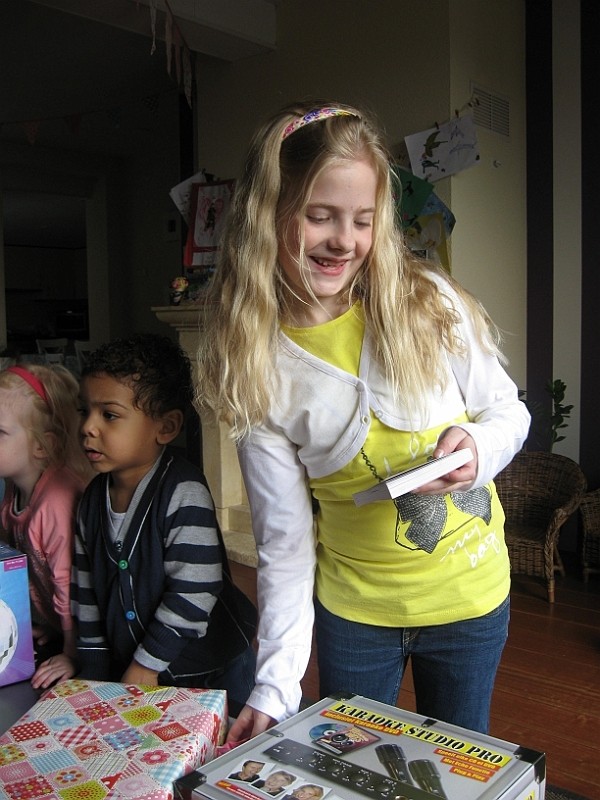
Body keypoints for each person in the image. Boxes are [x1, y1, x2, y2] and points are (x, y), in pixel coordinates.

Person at [195, 101, 530, 739]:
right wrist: (275, 684)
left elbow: (507, 411)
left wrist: (477, 445)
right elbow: (284, 545)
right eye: (319, 215)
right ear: (268, 214)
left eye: (363, 220)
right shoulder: (257, 365)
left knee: (458, 766)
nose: (343, 240)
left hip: (470, 600)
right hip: (355, 616)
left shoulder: (430, 303)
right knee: (351, 763)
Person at [69, 334, 257, 713]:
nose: (89, 427)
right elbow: (85, 592)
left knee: (222, 737)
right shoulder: (91, 500)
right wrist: (93, 670)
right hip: (138, 670)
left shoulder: (182, 491)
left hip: (209, 668)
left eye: (109, 415)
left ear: (166, 427)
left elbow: (195, 588)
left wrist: (147, 663)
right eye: (84, 411)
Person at [0, 363, 92, 689]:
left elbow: (69, 587)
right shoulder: (13, 489)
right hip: (60, 625)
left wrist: (71, 652)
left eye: (0, 432)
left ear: (42, 445)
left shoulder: (55, 502)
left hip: (87, 635)